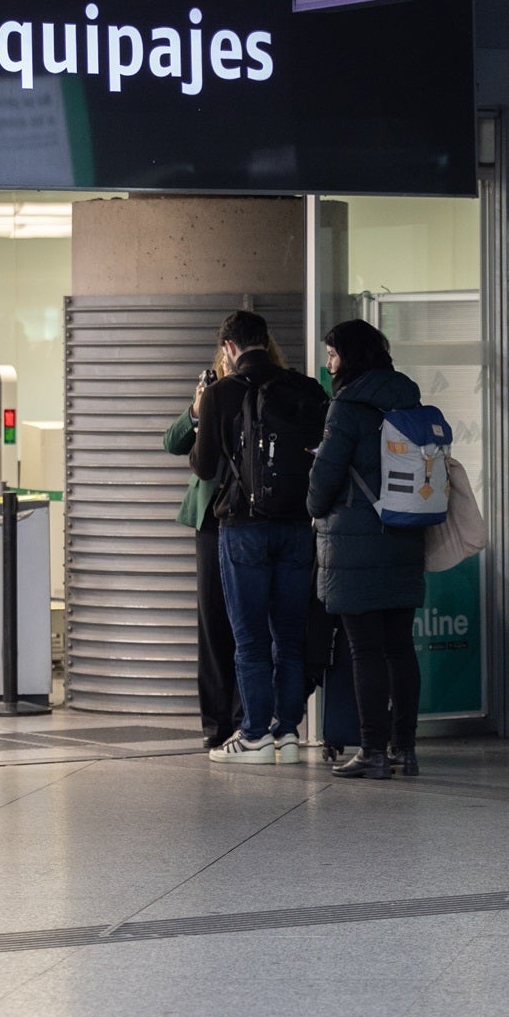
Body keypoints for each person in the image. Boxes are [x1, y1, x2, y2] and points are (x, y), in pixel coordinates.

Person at [190, 309, 327, 764]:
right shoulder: (306, 388)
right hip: (297, 526)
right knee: (288, 635)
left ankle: (253, 735)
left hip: (244, 527)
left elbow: (205, 466)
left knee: (248, 638)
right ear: (266, 342)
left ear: (229, 348)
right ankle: (287, 734)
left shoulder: (220, 393)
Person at [306, 319, 427, 780]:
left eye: (333, 355)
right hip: (404, 534)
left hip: (355, 544)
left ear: (350, 356)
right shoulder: (407, 397)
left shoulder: (347, 406)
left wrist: (314, 501)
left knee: (364, 651)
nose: (329, 364)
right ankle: (406, 749)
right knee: (400, 648)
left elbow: (325, 481)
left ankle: (373, 751)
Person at [164, 345, 241, 750]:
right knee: (212, 625)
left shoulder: (258, 389)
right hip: (210, 519)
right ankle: (216, 724)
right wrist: (196, 411)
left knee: (246, 623)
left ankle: (246, 719)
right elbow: (172, 442)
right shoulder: (210, 394)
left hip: (248, 517)